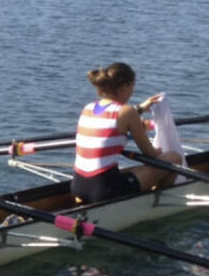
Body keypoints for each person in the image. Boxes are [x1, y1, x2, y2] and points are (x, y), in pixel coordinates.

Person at [71, 62, 184, 204]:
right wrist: (160, 148)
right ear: (124, 87)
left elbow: (114, 120)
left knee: (132, 170)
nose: (133, 91)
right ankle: (157, 203)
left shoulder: (88, 108)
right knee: (174, 158)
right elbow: (150, 153)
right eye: (132, 86)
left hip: (78, 185)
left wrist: (141, 109)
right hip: (104, 190)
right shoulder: (127, 111)